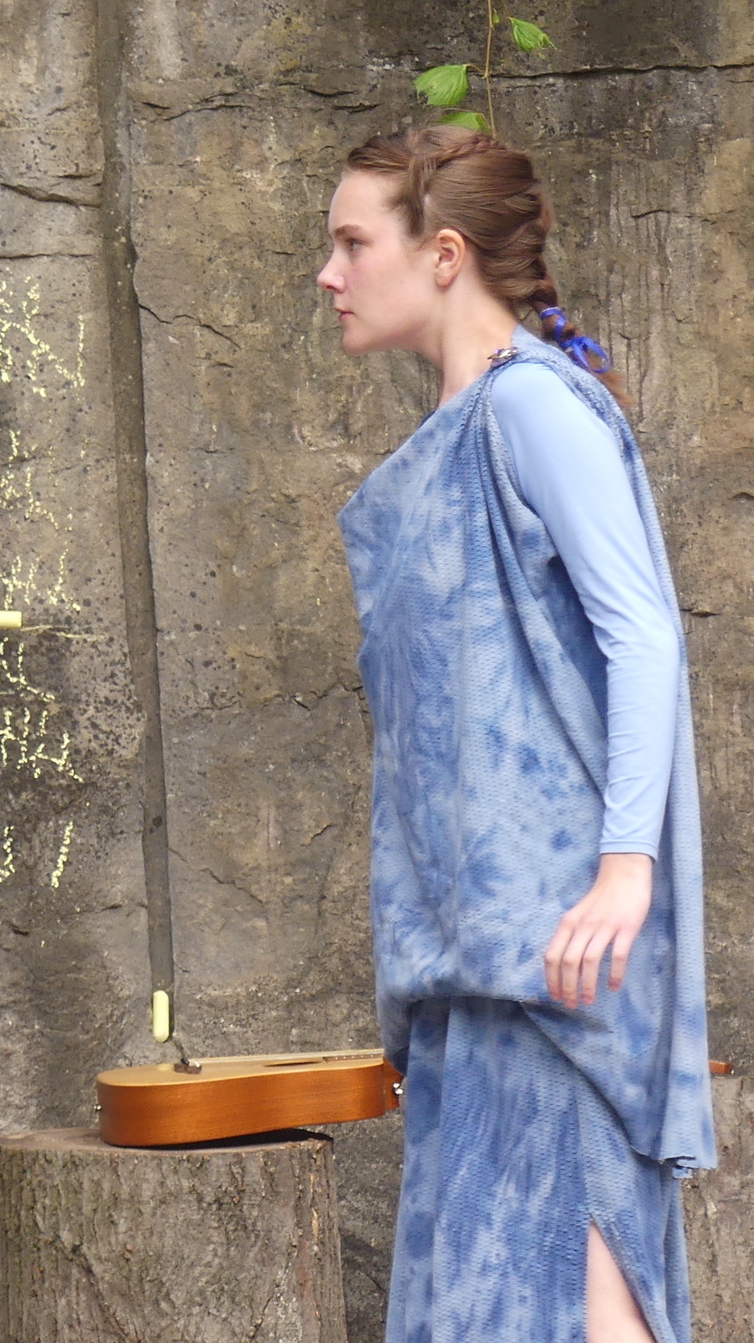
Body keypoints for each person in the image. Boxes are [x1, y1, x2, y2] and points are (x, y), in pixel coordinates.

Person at [317, 125, 715, 1343]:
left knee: (569, 1306)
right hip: (468, 972)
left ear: (442, 255)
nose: (329, 275)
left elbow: (643, 636)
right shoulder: (456, 434)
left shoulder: (532, 407)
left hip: (556, 967)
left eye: (350, 243)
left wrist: (624, 869)